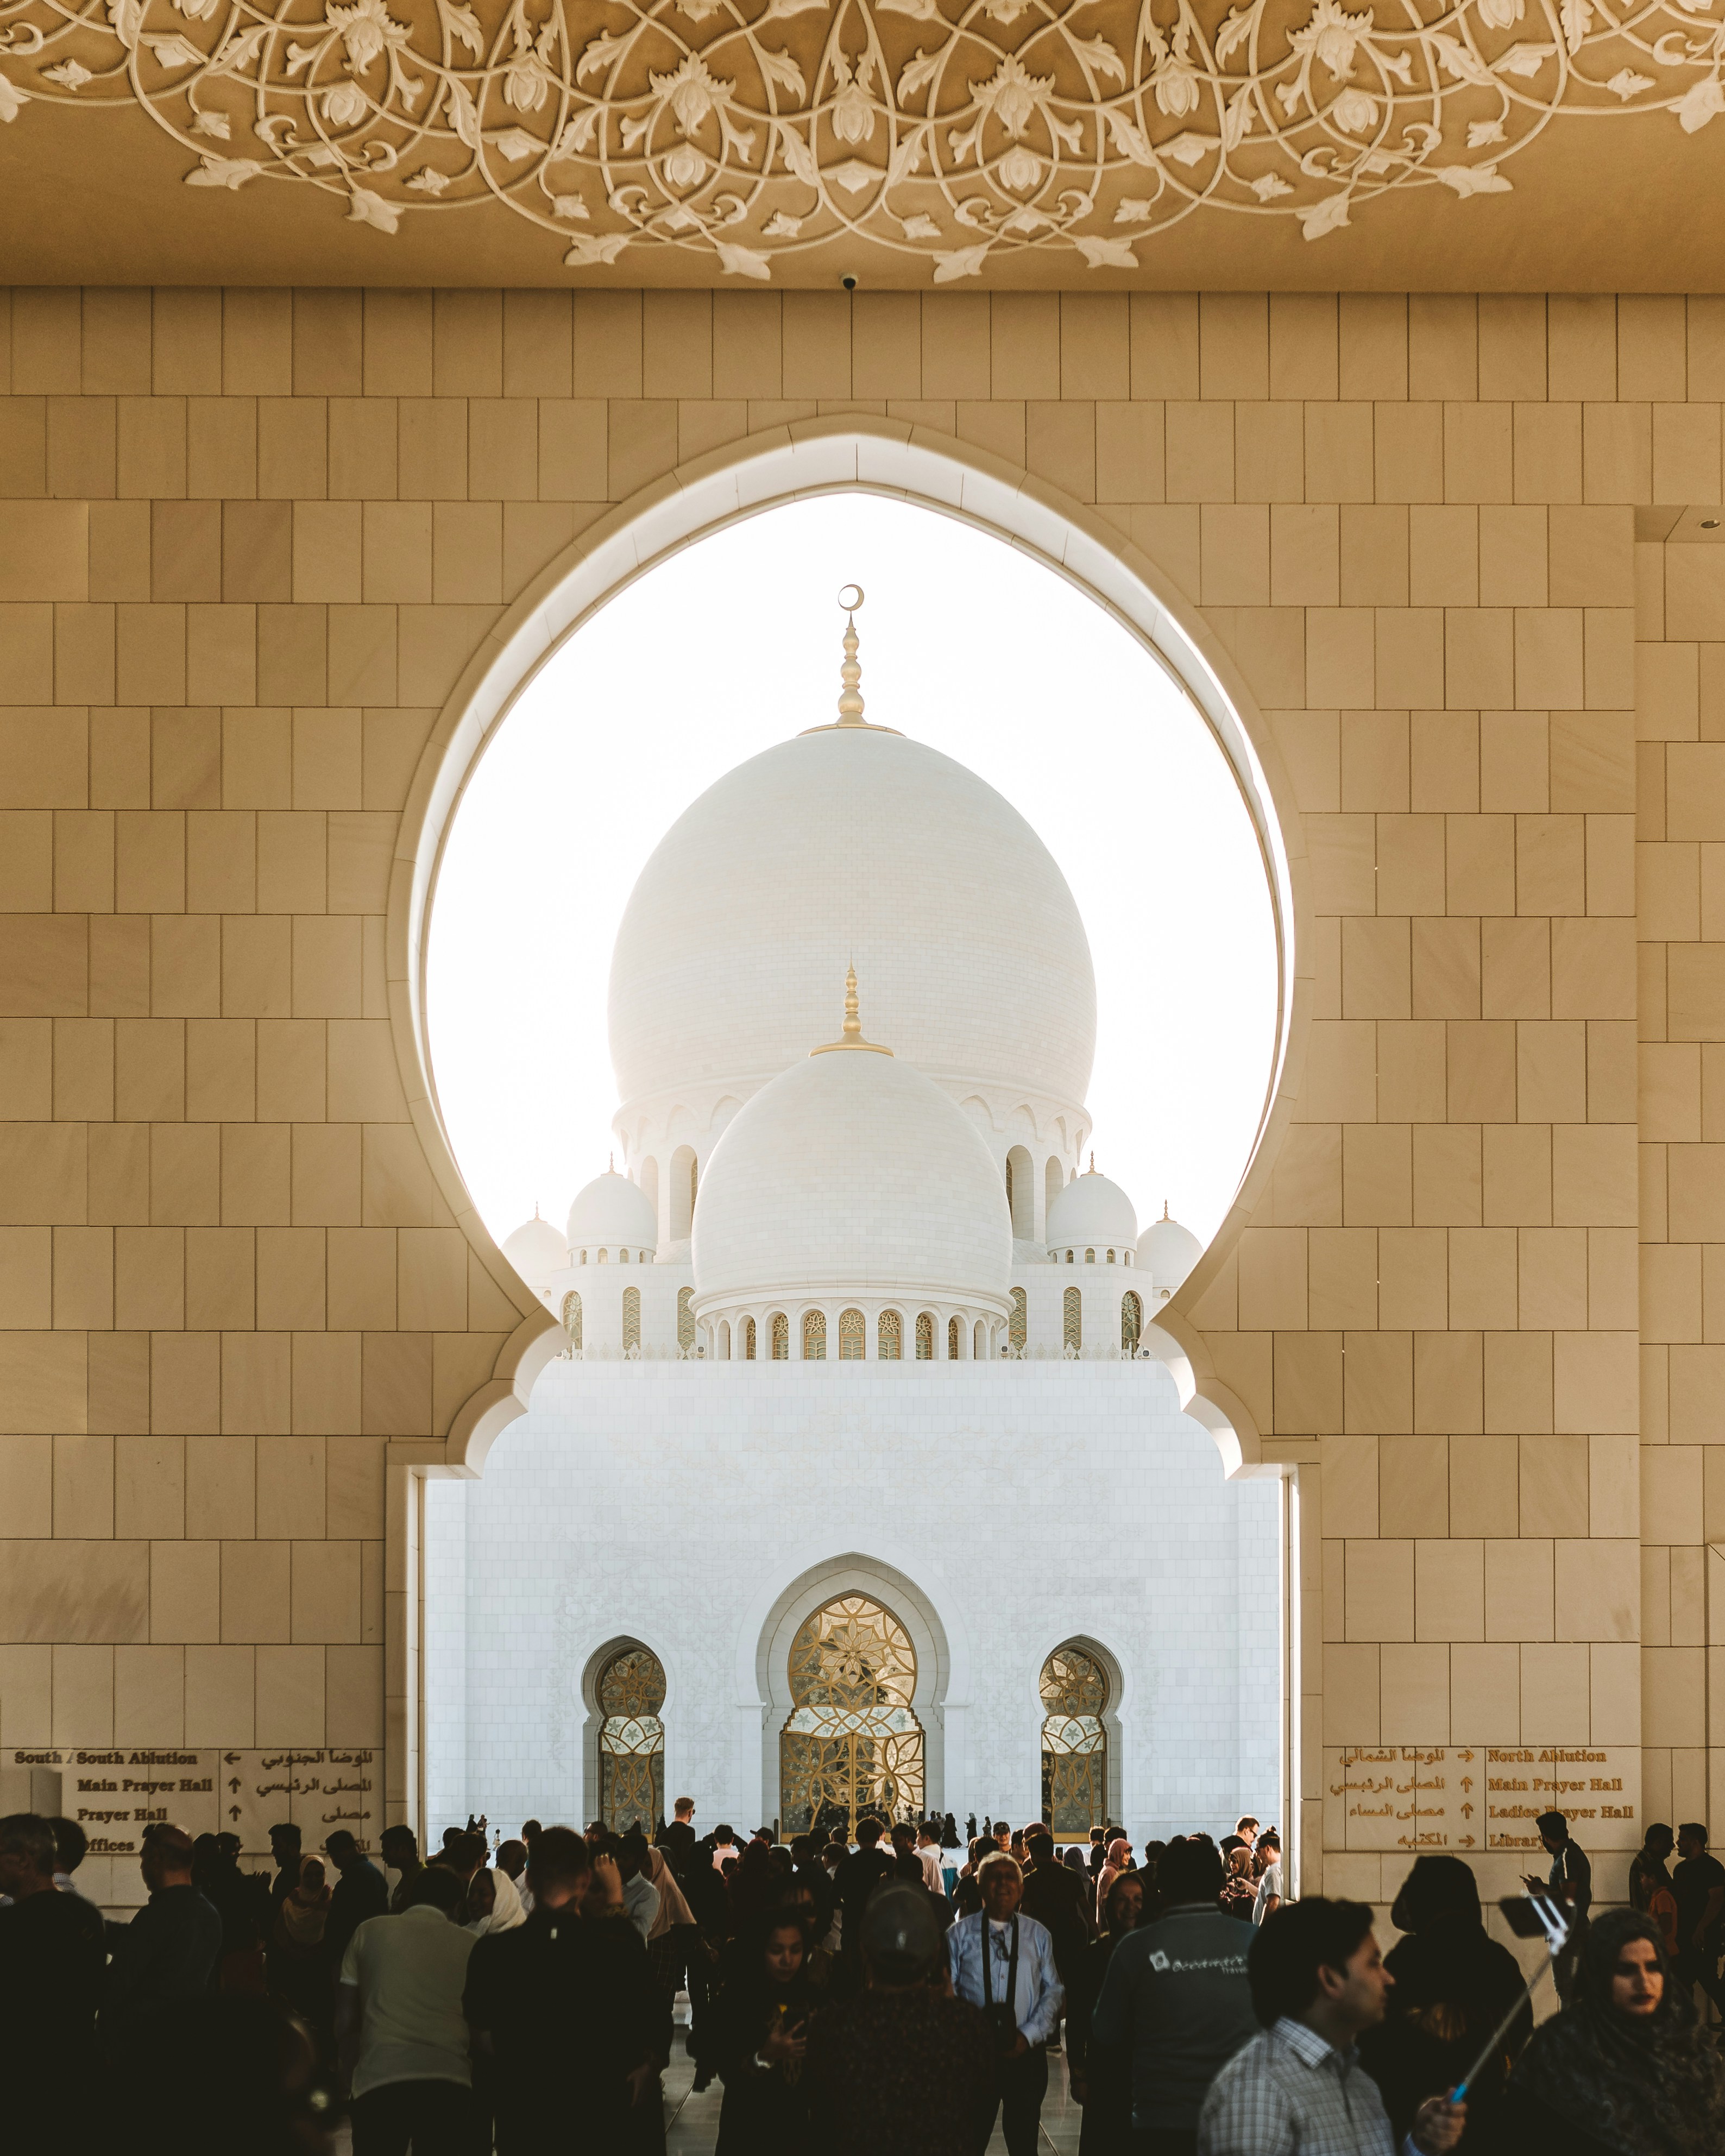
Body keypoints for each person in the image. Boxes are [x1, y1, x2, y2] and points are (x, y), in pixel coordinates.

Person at [1198, 1898, 1466, 2156]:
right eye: (1373, 1963)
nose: (1389, 1978)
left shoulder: (1358, 2082)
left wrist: (1421, 2145)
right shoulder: (1257, 2094)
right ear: (1330, 1979)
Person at [463, 1825, 659, 2152]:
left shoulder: (491, 1952)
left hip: (524, 2114)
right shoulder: (615, 1952)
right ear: (584, 1881)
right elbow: (643, 2021)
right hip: (597, 2115)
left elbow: (481, 2036)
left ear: (529, 1881)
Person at [1502, 1905, 1725, 2154]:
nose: (1643, 1982)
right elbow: (1518, 2136)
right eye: (1625, 1970)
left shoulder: (1691, 2044)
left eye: (1653, 1967)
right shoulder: (1559, 2048)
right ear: (1600, 1973)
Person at [1092, 1838, 1257, 2155]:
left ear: (1161, 1888)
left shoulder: (1135, 1948)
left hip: (1162, 2121)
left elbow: (1105, 2030)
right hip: (1243, 2118)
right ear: (1219, 1883)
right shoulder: (1257, 1942)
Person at [805, 1882, 996, 2156]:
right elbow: (978, 2117)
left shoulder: (832, 2028)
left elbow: (821, 2123)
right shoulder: (965, 2028)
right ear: (934, 1956)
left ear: (864, 1951)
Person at [1358, 1854, 1530, 2149]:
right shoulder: (1497, 1961)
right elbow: (1520, 2027)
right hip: (1488, 2119)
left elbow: (1376, 2040)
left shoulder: (1407, 1960)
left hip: (1417, 2122)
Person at [332, 1862, 476, 2153]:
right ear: (458, 1907)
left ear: (411, 1897)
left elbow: (344, 2020)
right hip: (449, 2082)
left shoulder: (368, 1931)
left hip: (379, 2080)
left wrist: (346, 2072)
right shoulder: (473, 1944)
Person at [0, 1811, 108, 2150]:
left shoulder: (13, 1925)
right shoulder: (86, 1915)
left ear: (22, 1859)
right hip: (78, 2074)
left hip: (26, 2082)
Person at [948, 1851, 1065, 2155]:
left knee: (1024, 2143)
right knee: (968, 2141)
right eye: (994, 1877)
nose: (1003, 1883)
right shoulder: (958, 1936)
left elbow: (1053, 1991)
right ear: (980, 1885)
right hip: (975, 2057)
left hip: (1024, 2056)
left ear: (1021, 1889)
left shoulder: (1038, 1935)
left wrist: (1027, 2036)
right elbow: (947, 1995)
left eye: (1010, 1877)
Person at [713, 1911, 815, 2154]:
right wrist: (763, 2057)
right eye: (777, 1950)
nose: (787, 1960)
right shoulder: (739, 1998)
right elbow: (728, 2068)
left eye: (796, 1949)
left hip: (795, 2130)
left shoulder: (813, 1996)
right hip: (748, 2129)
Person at [1068, 1870, 1143, 2155]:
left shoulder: (1156, 1953)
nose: (1131, 1907)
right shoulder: (1092, 1957)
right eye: (1122, 1900)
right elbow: (1076, 2021)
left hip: (1146, 2071)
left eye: (1138, 1899)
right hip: (1105, 2070)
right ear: (1111, 1906)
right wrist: (1078, 2075)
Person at [1523, 1808, 1591, 2002]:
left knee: (1567, 1988)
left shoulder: (1566, 1856)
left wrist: (1539, 1889)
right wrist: (1544, 1886)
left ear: (1545, 1837)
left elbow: (1568, 1896)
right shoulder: (1571, 1853)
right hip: (1573, 1928)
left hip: (1568, 1930)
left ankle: (1572, 2031)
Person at [1671, 1820, 1725, 2019]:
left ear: (1695, 1842)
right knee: (1683, 1982)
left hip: (1704, 1936)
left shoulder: (1711, 1868)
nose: (1677, 1842)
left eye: (1682, 1839)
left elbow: (1717, 1900)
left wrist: (1701, 1928)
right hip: (1684, 1935)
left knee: (1708, 1980)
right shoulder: (1680, 1870)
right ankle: (1686, 2026)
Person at [325, 1829, 389, 1976]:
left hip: (355, 1953)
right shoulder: (373, 1872)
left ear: (339, 1854)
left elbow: (342, 1922)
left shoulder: (353, 1878)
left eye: (333, 1855)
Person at [833, 1817, 894, 1969]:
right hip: (882, 1925)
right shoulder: (890, 1863)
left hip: (853, 1924)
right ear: (879, 1836)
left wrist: (847, 1906)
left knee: (852, 1969)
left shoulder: (847, 1863)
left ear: (857, 1837)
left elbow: (833, 1897)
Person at [380, 1824, 423, 1913]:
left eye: (387, 1849)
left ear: (403, 1849)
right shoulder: (409, 1876)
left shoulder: (421, 1879)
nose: (383, 1855)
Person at [267, 1821, 304, 1909]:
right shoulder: (300, 1871)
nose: (273, 1852)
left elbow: (278, 1911)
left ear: (293, 1849)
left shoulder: (292, 1876)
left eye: (278, 1846)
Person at [1250, 1833, 1282, 1926]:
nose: (1257, 1854)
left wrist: (1261, 1930)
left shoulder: (1273, 1871)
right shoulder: (1275, 1869)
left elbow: (1272, 1903)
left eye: (1258, 1850)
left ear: (1268, 1848)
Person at [914, 1819, 945, 1895]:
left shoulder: (919, 1859)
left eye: (918, 1836)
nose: (916, 1840)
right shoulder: (952, 1861)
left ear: (927, 1838)